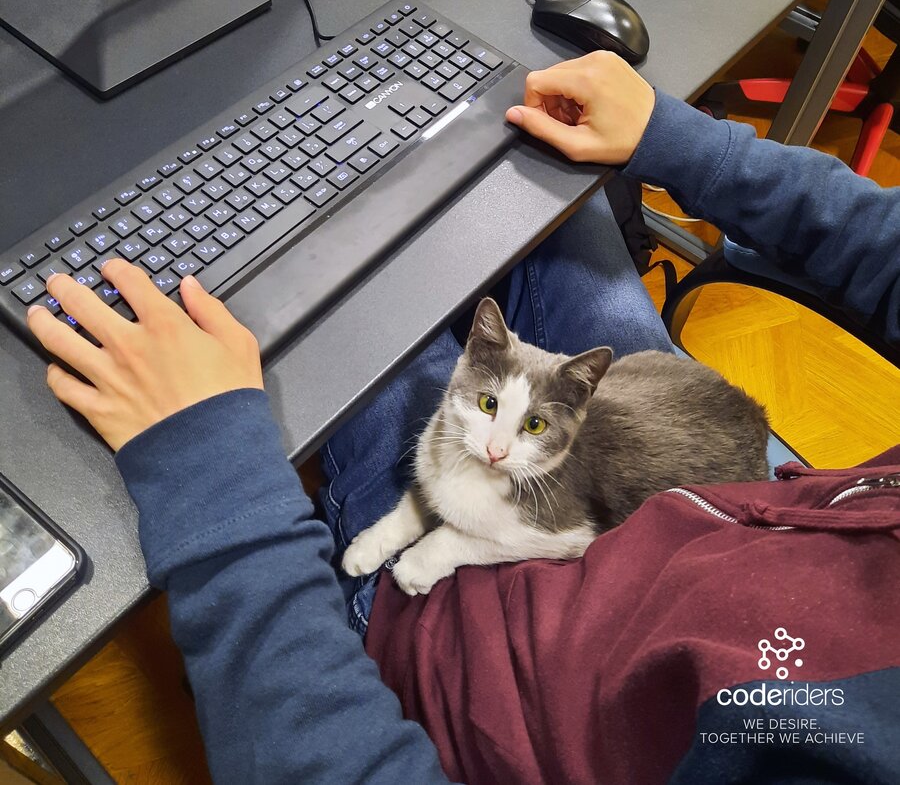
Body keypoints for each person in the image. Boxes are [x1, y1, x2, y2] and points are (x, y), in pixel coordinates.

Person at [26, 52, 900, 784]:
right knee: (520, 170)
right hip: (759, 511)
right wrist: (682, 144)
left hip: (490, 640)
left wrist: (211, 469)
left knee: (334, 295)